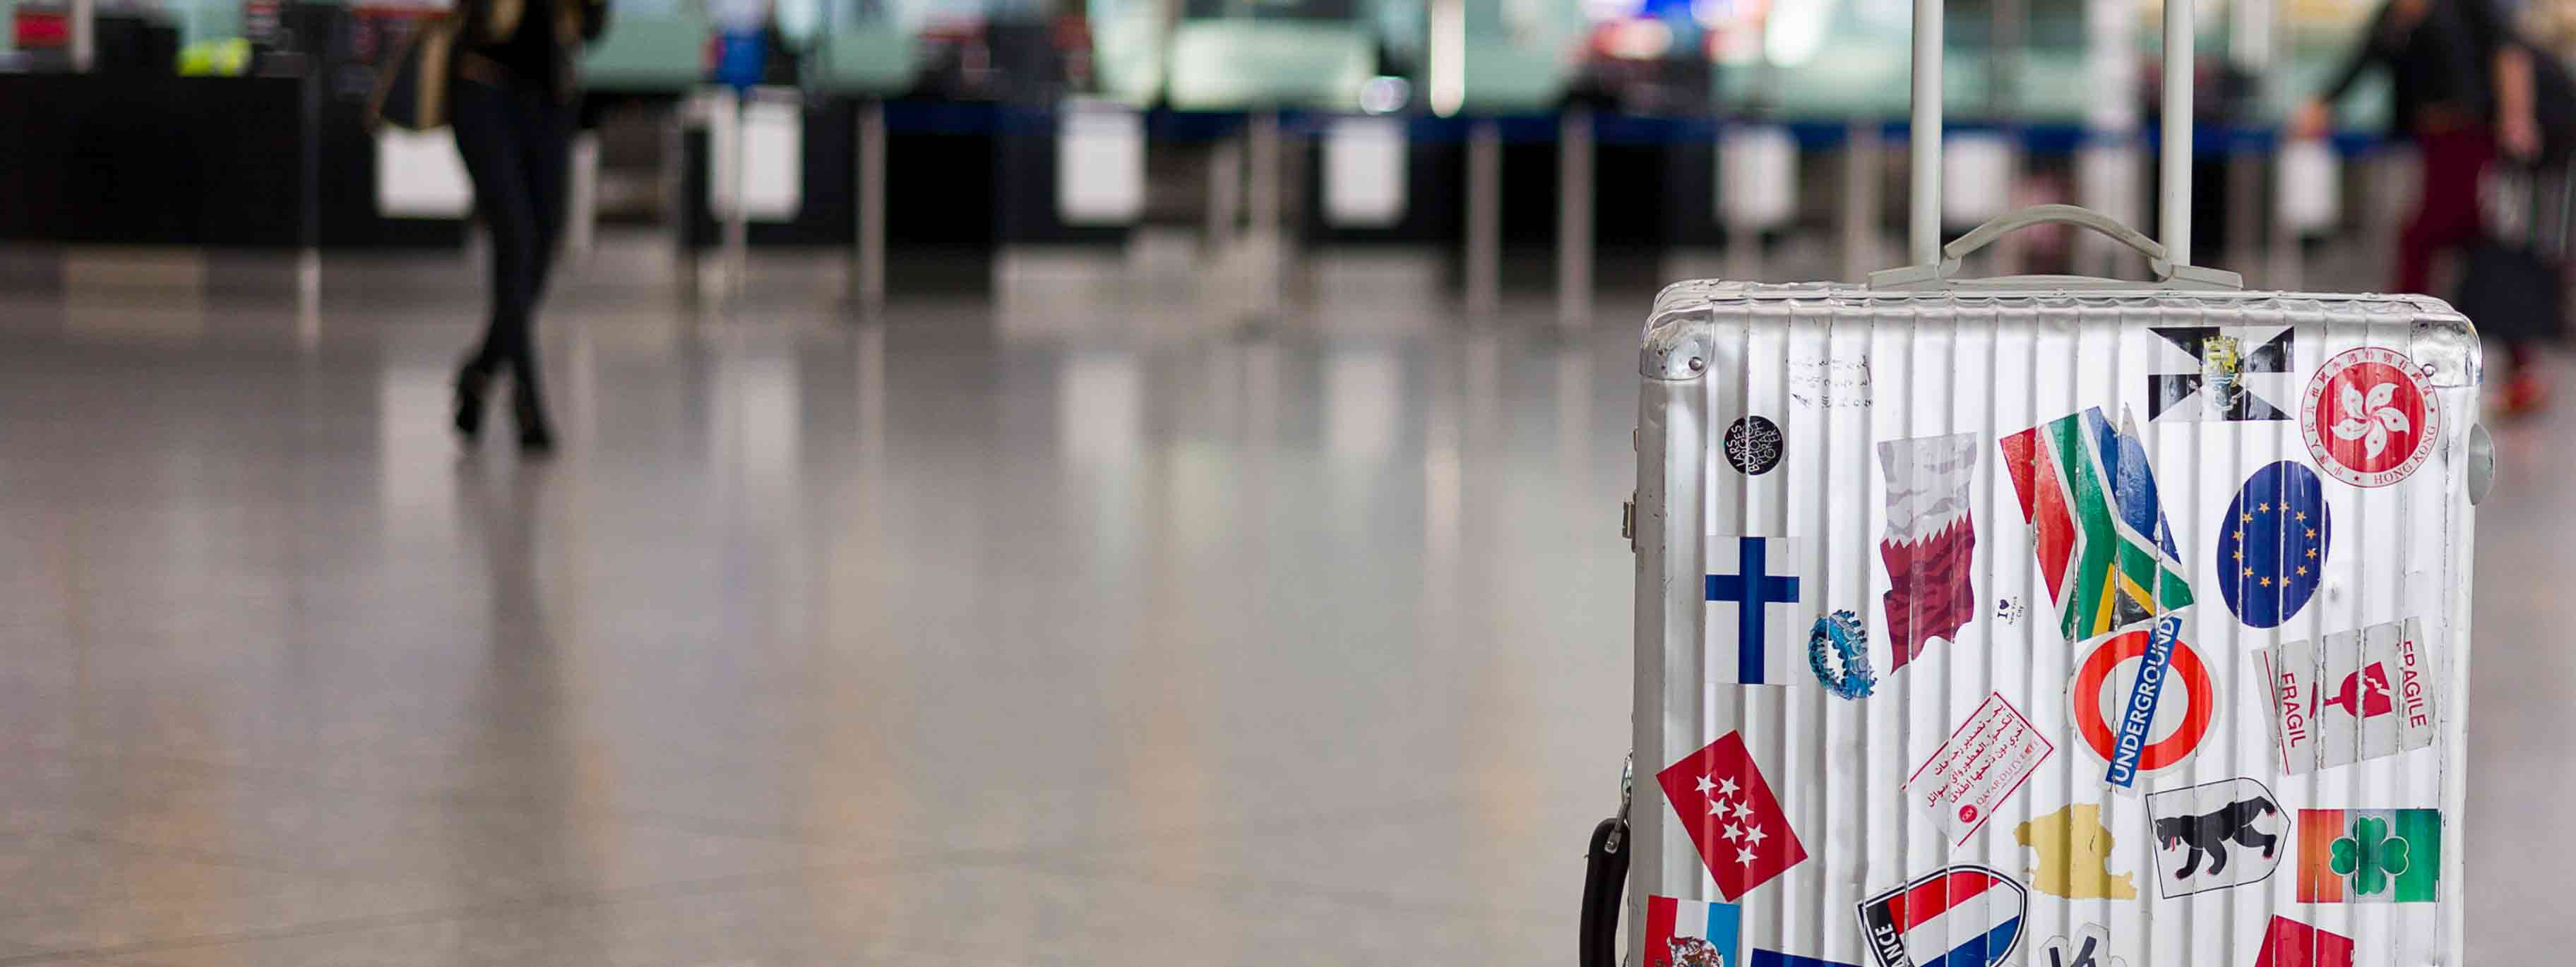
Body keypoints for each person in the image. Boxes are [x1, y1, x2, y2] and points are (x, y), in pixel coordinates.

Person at [2296, 0, 2560, 413]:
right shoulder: (2395, 14)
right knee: (2463, 242)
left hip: (2470, 139)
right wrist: (2323, 103)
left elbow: (2509, 54)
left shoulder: (2465, 8)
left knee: (2432, 240)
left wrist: (2516, 118)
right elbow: (2364, 60)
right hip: (2431, 143)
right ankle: (2513, 365)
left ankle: (2403, 349)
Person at [448, 0, 609, 452]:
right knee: (514, 239)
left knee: (538, 253)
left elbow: (594, 28)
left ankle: (481, 372)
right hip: (482, 89)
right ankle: (528, 402)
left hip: (547, 103)